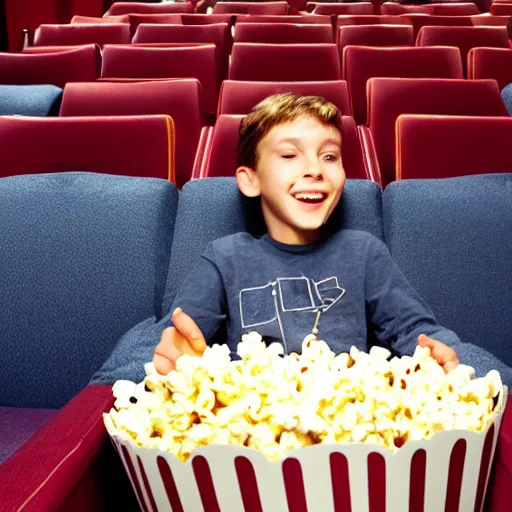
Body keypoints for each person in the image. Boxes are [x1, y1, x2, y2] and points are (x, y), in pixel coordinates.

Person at [152, 93, 512, 383]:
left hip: (347, 426)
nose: (314, 170)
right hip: (248, 428)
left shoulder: (363, 252)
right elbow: (174, 333)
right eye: (290, 155)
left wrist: (450, 357)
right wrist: (169, 356)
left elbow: (417, 330)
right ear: (250, 180)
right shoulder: (224, 256)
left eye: (330, 156)